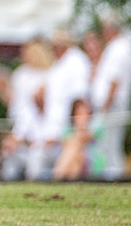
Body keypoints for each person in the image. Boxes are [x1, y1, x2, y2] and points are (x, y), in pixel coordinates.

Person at [28, 28, 91, 181]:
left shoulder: (77, 61)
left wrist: (73, 132)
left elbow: (80, 101)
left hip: (67, 131)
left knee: (65, 170)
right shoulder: (58, 64)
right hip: (52, 130)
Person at [0, 39, 52, 181]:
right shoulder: (20, 75)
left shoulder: (49, 76)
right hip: (21, 132)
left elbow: (36, 112)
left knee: (35, 158)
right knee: (8, 158)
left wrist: (19, 137)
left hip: (41, 136)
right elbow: (16, 107)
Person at [91, 11, 131, 181]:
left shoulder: (118, 50)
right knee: (108, 146)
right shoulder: (120, 48)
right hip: (111, 107)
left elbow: (114, 82)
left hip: (112, 108)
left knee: (110, 146)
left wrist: (104, 107)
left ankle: (113, 178)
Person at [52, 98, 104, 181]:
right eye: (78, 113)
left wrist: (80, 128)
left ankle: (58, 177)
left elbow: (86, 138)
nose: (81, 116)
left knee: (76, 150)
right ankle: (68, 183)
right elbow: (65, 144)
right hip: (74, 162)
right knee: (75, 155)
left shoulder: (95, 126)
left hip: (91, 162)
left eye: (84, 113)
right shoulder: (68, 129)